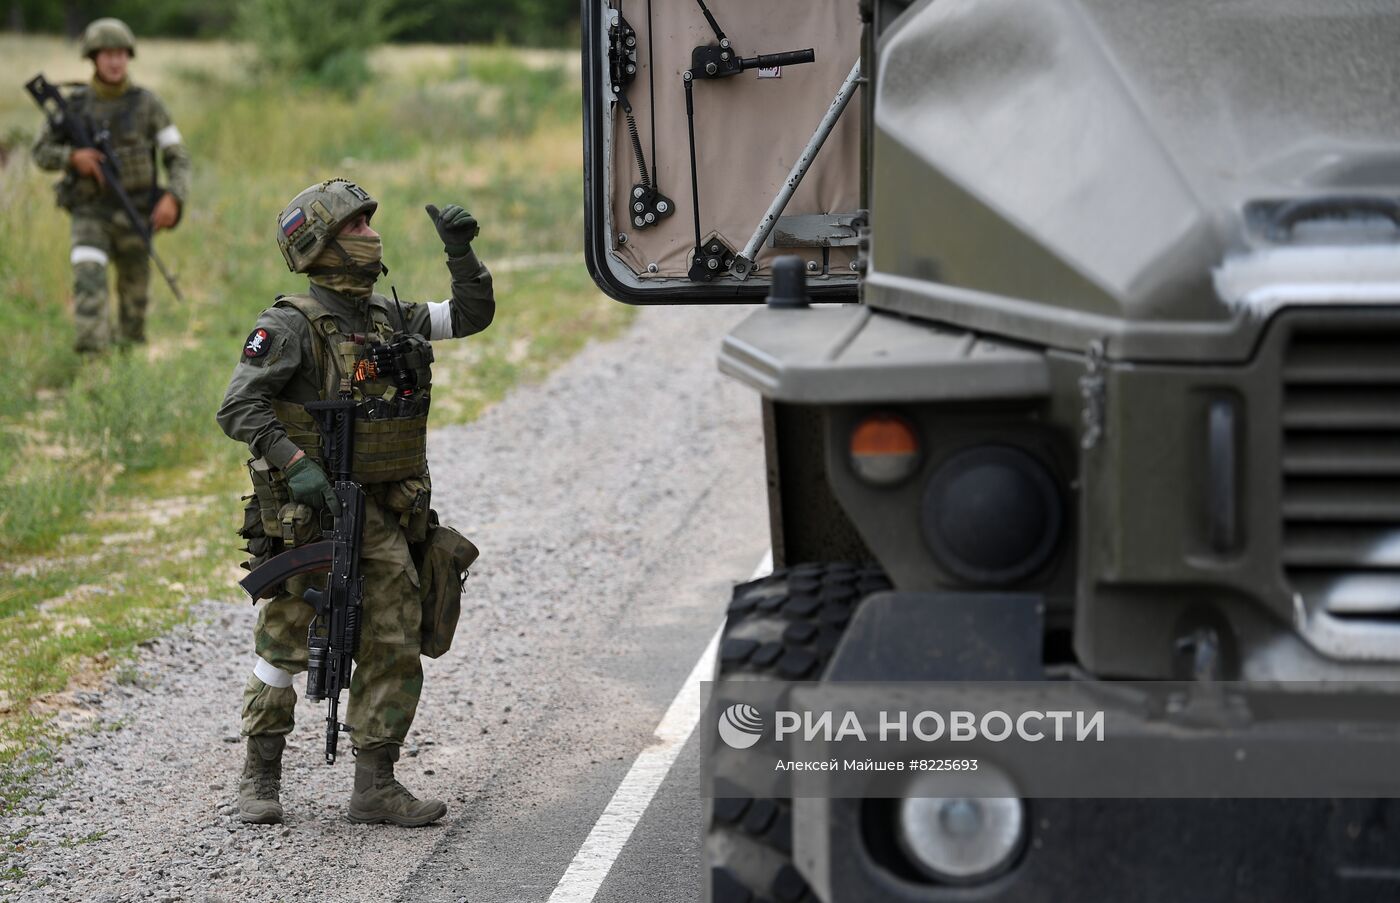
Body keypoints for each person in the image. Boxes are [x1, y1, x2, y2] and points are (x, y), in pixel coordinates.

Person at [217, 178, 494, 825]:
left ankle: (375, 782)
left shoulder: (385, 316)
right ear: (322, 246)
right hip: (312, 511)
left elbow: (470, 315)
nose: (372, 234)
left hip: (383, 508)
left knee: (396, 631)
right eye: (357, 226)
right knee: (286, 635)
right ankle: (259, 773)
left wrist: (462, 254)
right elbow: (239, 404)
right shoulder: (288, 324)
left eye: (370, 225)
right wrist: (295, 462)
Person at [31, 17, 191, 353]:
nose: (115, 62)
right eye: (107, 54)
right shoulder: (73, 106)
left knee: (134, 304)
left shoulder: (148, 104)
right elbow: (40, 152)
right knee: (88, 280)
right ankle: (92, 365)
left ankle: (127, 364)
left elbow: (177, 156)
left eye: (121, 54)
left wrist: (174, 198)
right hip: (91, 212)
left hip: (137, 213)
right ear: (93, 57)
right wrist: (73, 158)